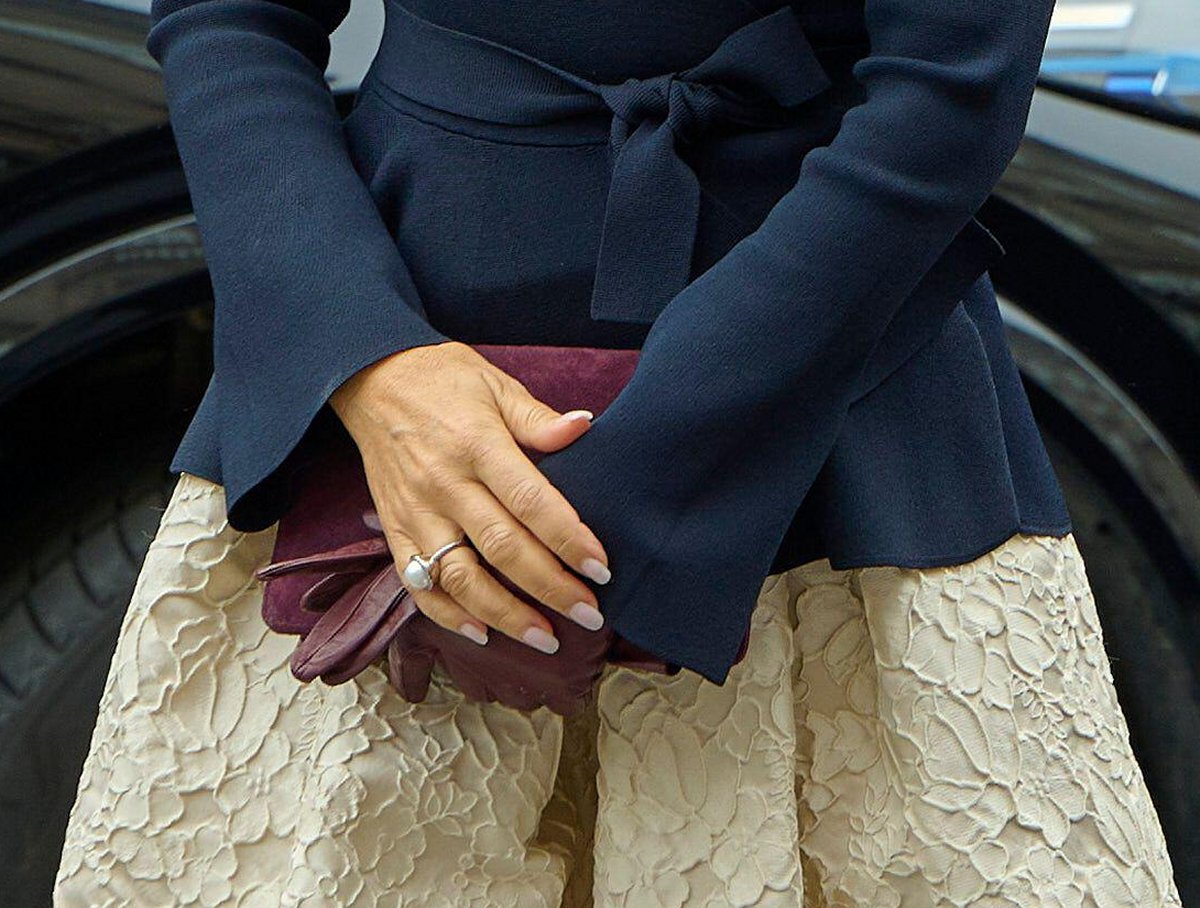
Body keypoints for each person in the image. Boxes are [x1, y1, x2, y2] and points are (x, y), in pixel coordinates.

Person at [54, 0, 1183, 905]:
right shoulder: (384, 393)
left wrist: (644, 477)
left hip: (837, 438)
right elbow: (230, 12)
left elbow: (950, 93)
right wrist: (365, 358)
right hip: (392, 437)